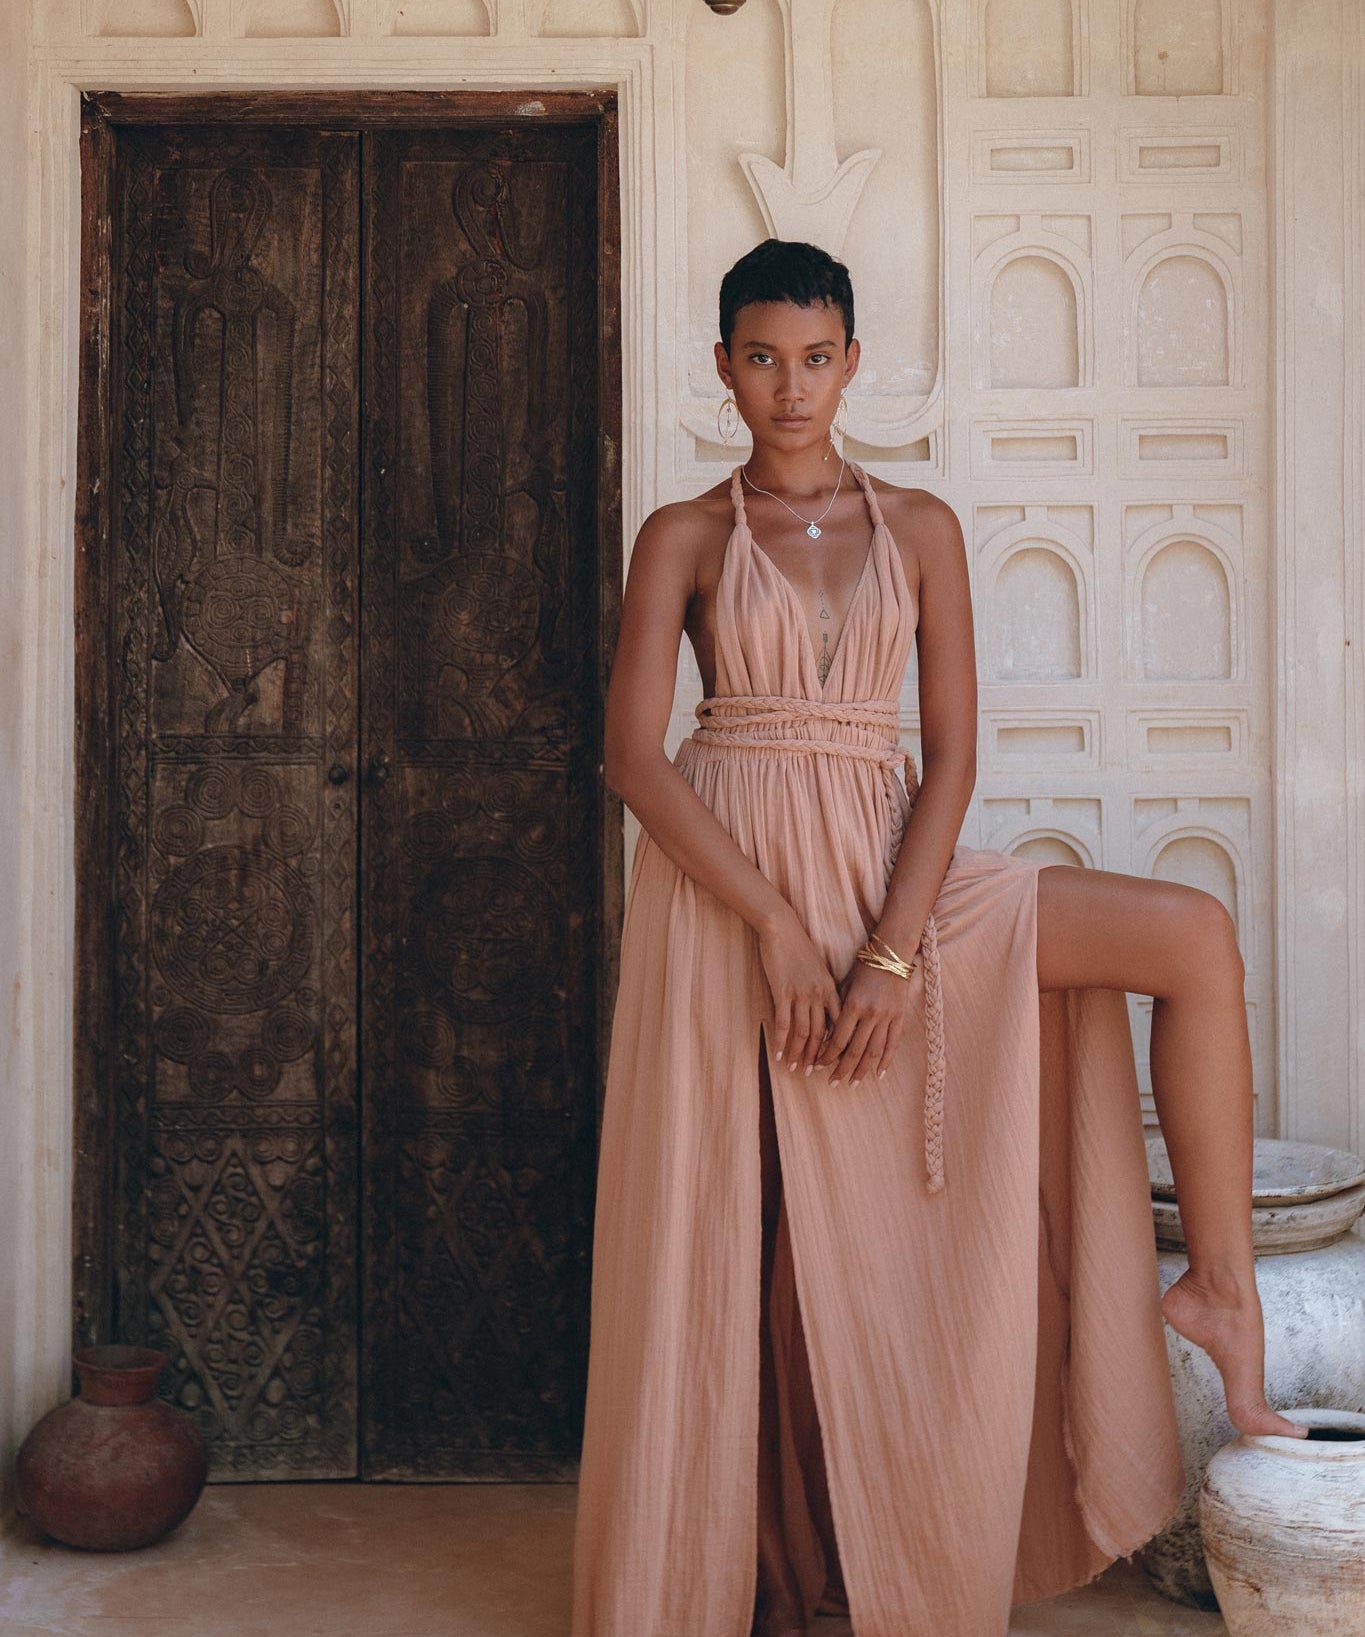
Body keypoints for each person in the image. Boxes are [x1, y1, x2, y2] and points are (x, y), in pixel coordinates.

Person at [569, 238, 1305, 1637]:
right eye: (763, 356)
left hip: (895, 883)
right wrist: (780, 926)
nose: (792, 385)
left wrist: (892, 952)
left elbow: (952, 754)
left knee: (1189, 936)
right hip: (733, 894)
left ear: (853, 360)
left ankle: (1217, 1291)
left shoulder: (917, 527)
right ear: (721, 366)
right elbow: (633, 757)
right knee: (760, 1228)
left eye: (818, 354)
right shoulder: (680, 534)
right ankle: (771, 1562)